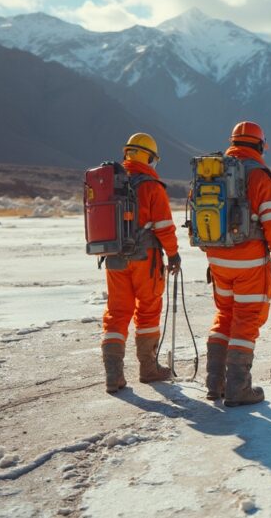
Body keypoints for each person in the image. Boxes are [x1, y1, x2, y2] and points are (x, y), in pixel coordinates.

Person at [204, 121, 271, 407]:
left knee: (224, 314)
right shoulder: (259, 176)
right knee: (246, 317)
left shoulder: (211, 172)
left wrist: (212, 253)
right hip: (249, 261)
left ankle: (214, 384)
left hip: (217, 259)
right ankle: (238, 388)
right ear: (258, 146)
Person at [101, 133, 180, 393]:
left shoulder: (110, 183)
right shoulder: (151, 186)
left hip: (114, 258)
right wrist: (173, 254)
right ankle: (148, 368)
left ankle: (114, 375)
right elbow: (165, 227)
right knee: (147, 310)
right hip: (146, 260)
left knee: (117, 312)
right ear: (148, 157)